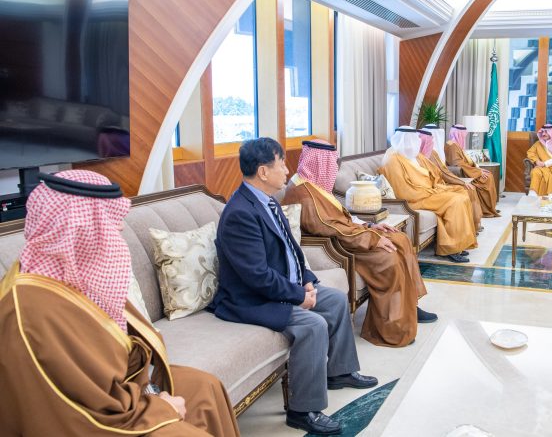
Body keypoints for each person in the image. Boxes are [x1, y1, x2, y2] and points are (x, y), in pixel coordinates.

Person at [0, 170, 239, 437]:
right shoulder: (30, 311)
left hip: (120, 393)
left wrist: (150, 396)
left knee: (205, 388)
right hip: (92, 420)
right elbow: (82, 411)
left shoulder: (72, 277)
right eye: (109, 218)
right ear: (80, 229)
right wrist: (161, 408)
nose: (120, 227)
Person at [209, 138, 377, 435]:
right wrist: (299, 295)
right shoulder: (240, 214)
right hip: (250, 299)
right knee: (312, 325)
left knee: (335, 300)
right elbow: (256, 276)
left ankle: (339, 372)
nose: (288, 170)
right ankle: (302, 410)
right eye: (282, 164)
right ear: (263, 171)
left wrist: (307, 279)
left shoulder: (267, 200)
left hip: (279, 287)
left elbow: (290, 248)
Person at [283, 139, 437, 348]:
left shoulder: (314, 185)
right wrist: (372, 238)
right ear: (318, 161)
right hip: (339, 245)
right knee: (389, 257)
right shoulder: (303, 192)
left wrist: (371, 226)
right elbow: (329, 228)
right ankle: (390, 328)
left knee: (401, 239)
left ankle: (409, 306)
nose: (333, 167)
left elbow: (341, 217)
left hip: (350, 235)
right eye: (330, 162)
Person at [379, 126, 477, 263]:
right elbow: (404, 192)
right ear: (401, 140)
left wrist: (438, 188)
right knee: (456, 201)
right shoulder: (393, 160)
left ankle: (460, 244)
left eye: (414, 139)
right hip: (414, 200)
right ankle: (451, 248)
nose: (413, 143)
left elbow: (435, 174)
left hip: (428, 193)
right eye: (409, 140)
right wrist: (433, 191)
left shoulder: (416, 156)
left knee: (462, 193)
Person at [417, 128, 482, 233]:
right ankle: (462, 232)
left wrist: (463, 181)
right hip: (432, 190)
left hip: (439, 185)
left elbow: (443, 171)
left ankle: (473, 226)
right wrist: (462, 181)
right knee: (464, 193)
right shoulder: (416, 158)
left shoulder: (432, 153)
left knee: (470, 188)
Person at [444, 124, 500, 217]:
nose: (464, 138)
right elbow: (458, 165)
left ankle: (490, 208)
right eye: (463, 135)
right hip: (462, 174)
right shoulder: (451, 145)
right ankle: (485, 210)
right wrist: (478, 172)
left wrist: (477, 169)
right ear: (459, 134)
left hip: (468, 171)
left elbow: (465, 162)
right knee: (487, 178)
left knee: (488, 174)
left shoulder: (455, 144)